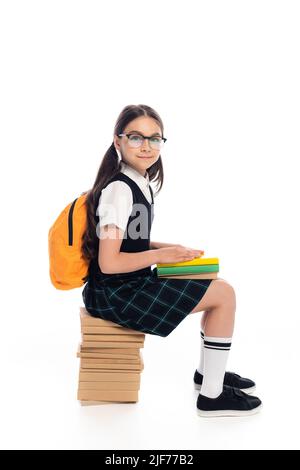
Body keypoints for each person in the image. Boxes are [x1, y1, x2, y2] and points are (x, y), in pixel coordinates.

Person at [81, 104, 262, 417]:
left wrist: (171, 248)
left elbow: (128, 239)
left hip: (127, 283)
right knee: (224, 294)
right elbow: (108, 262)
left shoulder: (138, 181)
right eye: (136, 138)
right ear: (118, 141)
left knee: (215, 284)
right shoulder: (118, 191)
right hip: (115, 294)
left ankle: (209, 376)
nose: (147, 146)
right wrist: (162, 256)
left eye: (155, 139)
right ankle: (211, 397)